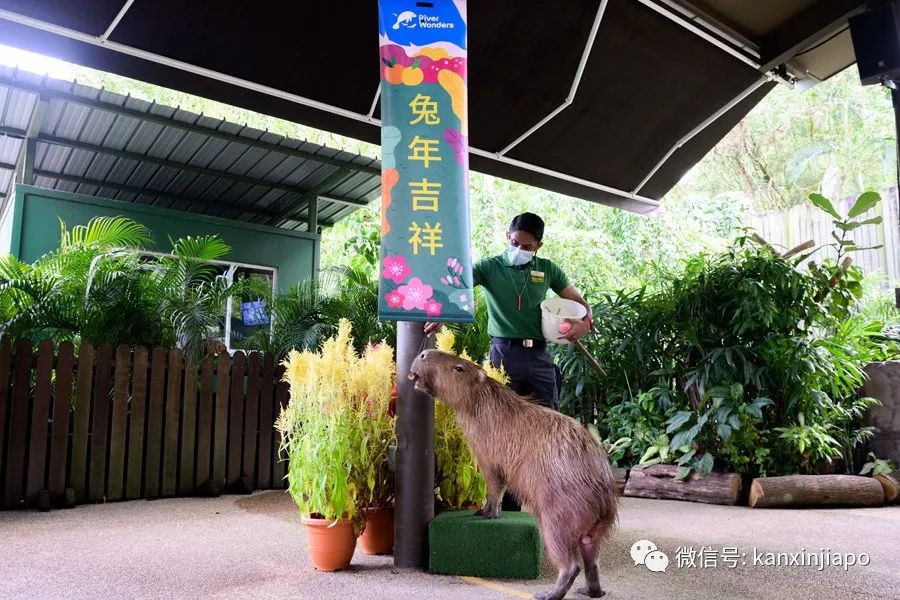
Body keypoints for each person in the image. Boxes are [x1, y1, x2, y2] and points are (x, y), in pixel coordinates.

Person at [425, 212, 593, 509]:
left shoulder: (548, 270)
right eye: (514, 242)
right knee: (502, 427)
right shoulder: (490, 267)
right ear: (507, 236)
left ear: (538, 246)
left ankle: (550, 497)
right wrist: (441, 313)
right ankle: (511, 505)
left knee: (548, 427)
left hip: (540, 356)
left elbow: (580, 306)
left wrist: (583, 324)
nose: (519, 249)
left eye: (527, 246)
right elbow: (459, 287)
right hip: (503, 354)